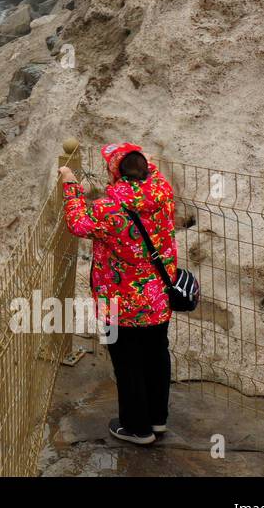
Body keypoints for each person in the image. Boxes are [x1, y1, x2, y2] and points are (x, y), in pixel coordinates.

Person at [57, 142, 178, 445]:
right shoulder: (163, 192)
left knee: (127, 362)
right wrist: (147, 163)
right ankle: (157, 419)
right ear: (147, 169)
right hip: (159, 295)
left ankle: (137, 429)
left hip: (118, 302)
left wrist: (71, 186)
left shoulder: (108, 208)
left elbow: (77, 222)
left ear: (114, 173)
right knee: (156, 354)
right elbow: (154, 173)